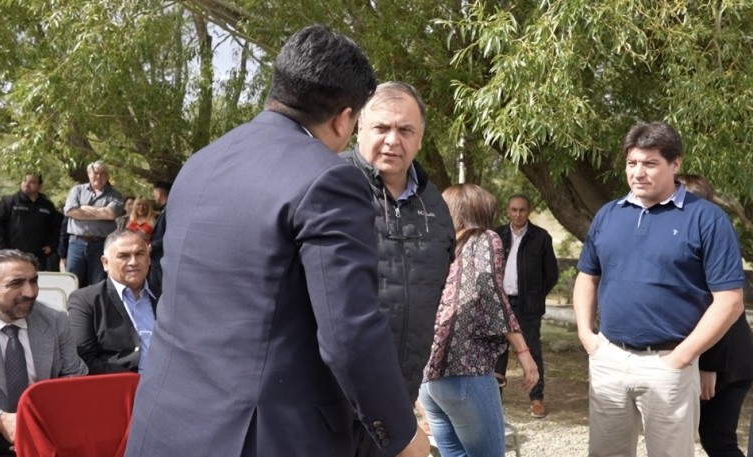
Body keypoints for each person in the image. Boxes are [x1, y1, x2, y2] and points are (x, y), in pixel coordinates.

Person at [124, 24, 429, 457]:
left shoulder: (201, 162)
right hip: (261, 436)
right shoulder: (328, 179)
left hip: (165, 422)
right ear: (345, 118)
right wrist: (400, 434)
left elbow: (160, 279)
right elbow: (350, 335)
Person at [573, 122, 745, 457]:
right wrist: (586, 336)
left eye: (650, 163)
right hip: (608, 357)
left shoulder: (707, 219)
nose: (638, 172)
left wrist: (683, 356)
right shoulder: (608, 214)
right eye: (632, 163)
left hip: (669, 363)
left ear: (675, 164)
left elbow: (730, 302)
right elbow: (586, 277)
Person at [339, 81, 455, 456]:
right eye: (381, 127)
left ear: (420, 138)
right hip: (328, 404)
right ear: (359, 126)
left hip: (395, 403)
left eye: (405, 130)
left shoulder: (433, 204)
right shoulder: (331, 184)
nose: (393, 140)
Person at [419, 184, 538, 457]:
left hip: (430, 381)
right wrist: (523, 351)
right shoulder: (485, 237)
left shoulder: (437, 245)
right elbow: (491, 291)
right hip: (466, 372)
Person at [0, 249, 88, 457]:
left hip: (43, 426)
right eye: (16, 284)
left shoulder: (55, 320)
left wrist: (39, 421)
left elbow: (75, 378)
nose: (30, 292)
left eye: (33, 281)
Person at [676, 174, 753, 457]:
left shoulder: (711, 236)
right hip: (726, 361)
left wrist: (710, 365)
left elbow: (725, 307)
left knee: (718, 441)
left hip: (725, 363)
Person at [493, 194, 558, 418]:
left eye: (522, 209)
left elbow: (551, 275)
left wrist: (535, 296)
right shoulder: (497, 235)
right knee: (497, 352)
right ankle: (494, 400)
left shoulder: (541, 237)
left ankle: (537, 398)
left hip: (528, 307)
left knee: (531, 351)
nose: (518, 214)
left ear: (528, 211)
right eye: (513, 209)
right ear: (507, 211)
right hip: (501, 303)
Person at [68, 230, 157, 374]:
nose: (133, 262)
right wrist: (133, 380)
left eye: (140, 254)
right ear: (105, 263)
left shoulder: (166, 297)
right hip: (120, 387)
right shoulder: (85, 300)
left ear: (149, 259)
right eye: (124, 256)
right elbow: (82, 358)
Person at [64, 160, 125, 287]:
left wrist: (84, 208)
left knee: (98, 282)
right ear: (88, 174)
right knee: (72, 280)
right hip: (76, 243)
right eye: (95, 173)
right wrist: (101, 211)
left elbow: (110, 214)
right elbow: (70, 212)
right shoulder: (77, 190)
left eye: (103, 173)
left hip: (100, 244)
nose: (98, 176)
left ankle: (95, 307)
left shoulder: (115, 195)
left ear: (107, 176)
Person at [0, 174, 60, 271]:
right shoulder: (9, 201)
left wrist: (52, 246)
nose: (26, 185)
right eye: (24, 181)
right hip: (13, 255)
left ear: (40, 186)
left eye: (32, 182)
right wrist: (3, 249)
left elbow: (56, 227)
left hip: (39, 256)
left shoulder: (47, 205)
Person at [148, 180, 171, 293]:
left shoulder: (169, 210)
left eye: (154, 193)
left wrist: (152, 245)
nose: (154, 196)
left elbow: (170, 235)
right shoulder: (163, 211)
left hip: (161, 258)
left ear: (160, 192)